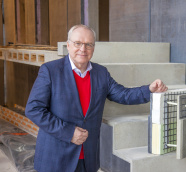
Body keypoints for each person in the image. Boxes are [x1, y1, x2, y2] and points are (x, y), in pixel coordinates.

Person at [25, 24, 168, 172]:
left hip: (88, 157)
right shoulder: (50, 70)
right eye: (78, 43)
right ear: (68, 45)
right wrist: (69, 132)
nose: (83, 49)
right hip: (55, 158)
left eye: (88, 44)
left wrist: (149, 90)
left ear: (93, 48)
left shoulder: (101, 73)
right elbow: (33, 109)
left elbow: (123, 95)